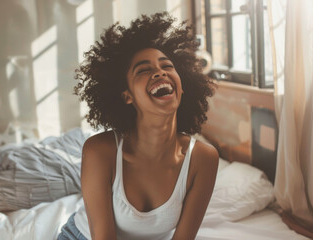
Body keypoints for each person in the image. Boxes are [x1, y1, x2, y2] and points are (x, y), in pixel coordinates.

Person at [57, 12, 219, 240]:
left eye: (167, 66)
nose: (160, 72)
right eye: (144, 70)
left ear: (182, 88)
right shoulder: (99, 151)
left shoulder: (204, 158)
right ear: (127, 96)